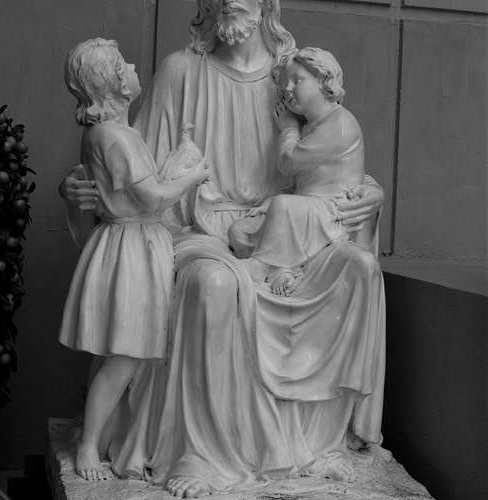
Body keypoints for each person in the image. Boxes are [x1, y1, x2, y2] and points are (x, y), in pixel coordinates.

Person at [59, 1, 385, 498]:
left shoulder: (294, 74)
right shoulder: (180, 72)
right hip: (196, 232)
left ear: (266, 4)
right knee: (213, 282)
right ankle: (201, 452)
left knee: (358, 267)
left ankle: (317, 443)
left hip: (289, 233)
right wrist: (79, 189)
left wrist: (369, 193)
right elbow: (126, 173)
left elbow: (339, 151)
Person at [59, 38, 209, 482]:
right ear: (113, 82)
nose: (132, 66)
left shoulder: (110, 134)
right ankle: (89, 445)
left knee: (122, 353)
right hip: (131, 248)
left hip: (131, 243)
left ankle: (100, 436)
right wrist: (193, 176)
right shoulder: (116, 138)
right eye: (123, 64)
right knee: (124, 354)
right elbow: (153, 197)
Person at [232, 47, 366, 296]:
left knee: (283, 206)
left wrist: (288, 128)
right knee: (240, 230)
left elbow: (289, 163)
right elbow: (306, 181)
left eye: (297, 80)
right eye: (285, 83)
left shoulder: (340, 123)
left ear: (324, 80)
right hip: (312, 209)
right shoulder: (313, 125)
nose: (288, 88)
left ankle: (262, 266)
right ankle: (282, 269)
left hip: (333, 213)